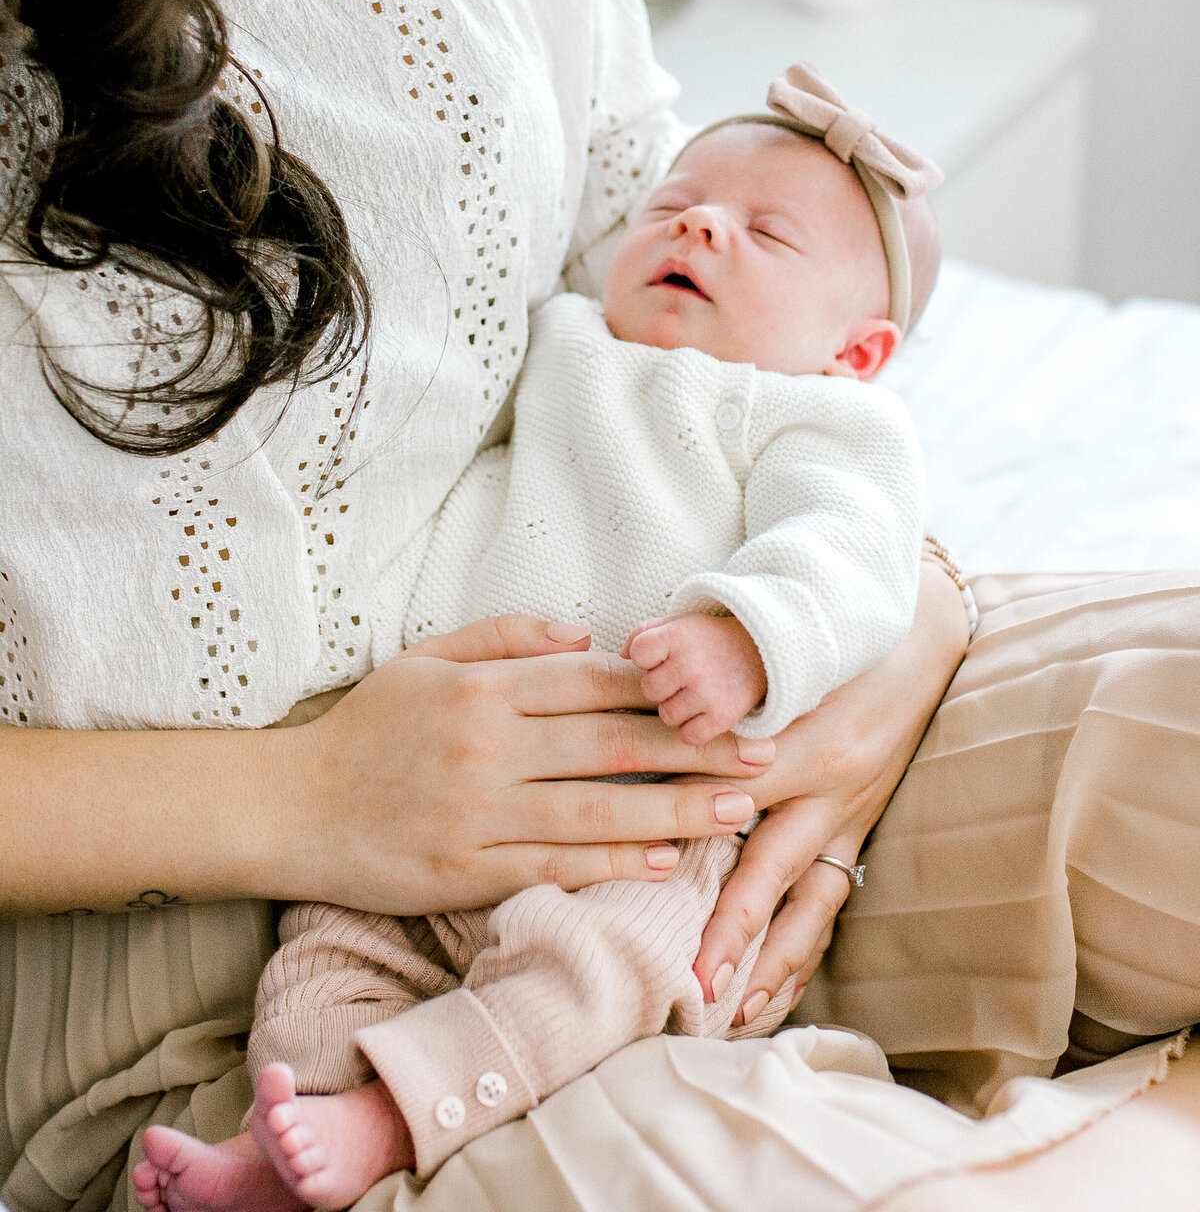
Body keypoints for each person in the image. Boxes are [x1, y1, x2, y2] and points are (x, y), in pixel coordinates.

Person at [2, 0, 1197, 1211]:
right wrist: (316, 798)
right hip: (201, 980)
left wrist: (897, 632)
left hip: (677, 746)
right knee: (742, 1170)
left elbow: (634, 206)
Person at [133, 80, 940, 1205]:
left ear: (855, 352)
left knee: (598, 967)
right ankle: (285, 1139)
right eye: (677, 203)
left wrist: (746, 638)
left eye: (766, 234)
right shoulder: (560, 338)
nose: (699, 226)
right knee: (324, 957)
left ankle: (389, 1120)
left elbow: (853, 548)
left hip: (644, 816)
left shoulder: (809, 415)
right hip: (419, 791)